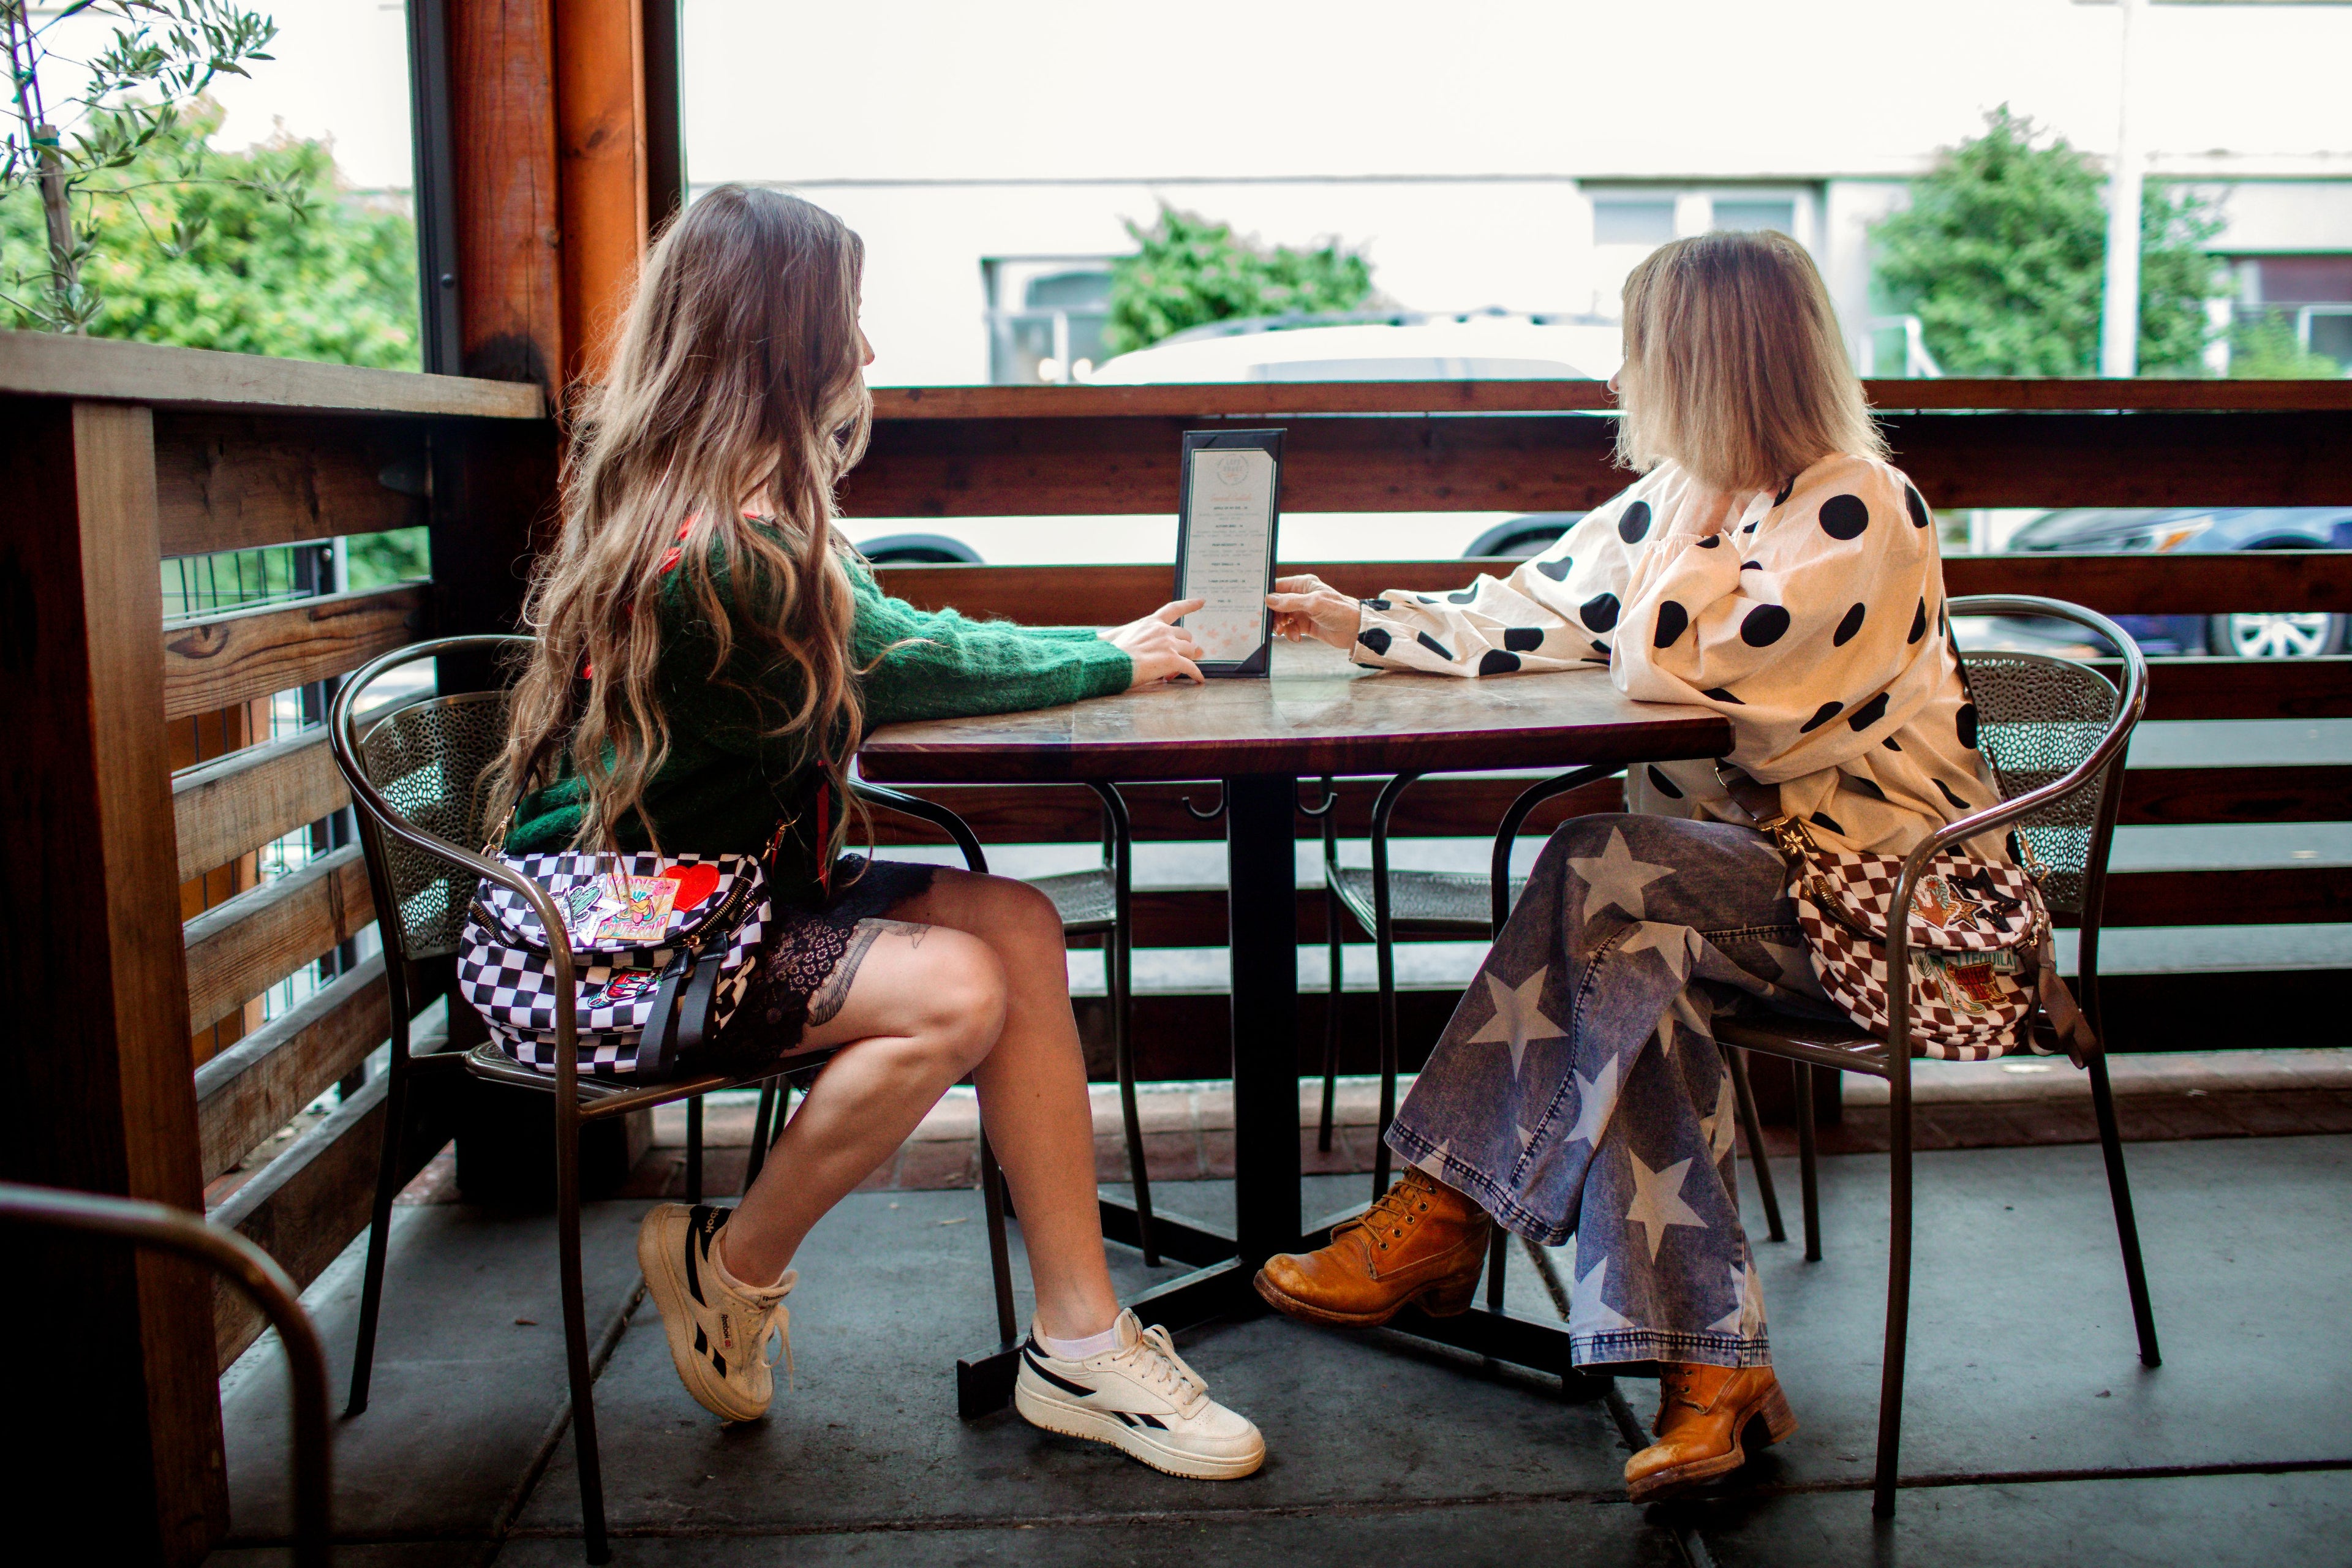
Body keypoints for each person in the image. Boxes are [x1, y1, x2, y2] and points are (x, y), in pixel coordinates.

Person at [486, 185, 1264, 1482]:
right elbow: (903, 661)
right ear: (782, 343)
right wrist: (1105, 658)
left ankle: (1079, 1341)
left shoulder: (742, 511)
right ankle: (730, 1266)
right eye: (844, 319)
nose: (864, 349)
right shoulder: (722, 554)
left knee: (1015, 924)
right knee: (960, 985)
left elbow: (897, 637)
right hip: (610, 941)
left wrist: (1095, 647)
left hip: (717, 892)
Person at [1254, 229, 1998, 1501]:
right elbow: (1537, 613)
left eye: (1641, 348)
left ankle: (1446, 1206)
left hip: (1897, 911)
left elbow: (1676, 664)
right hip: (1734, 896)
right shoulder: (1685, 496)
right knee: (1631, 957)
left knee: (1604, 868)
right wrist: (1362, 618)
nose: (1619, 376)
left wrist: (1677, 531)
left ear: (1708, 363)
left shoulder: (1861, 507)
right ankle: (1716, 1374)